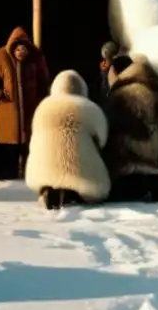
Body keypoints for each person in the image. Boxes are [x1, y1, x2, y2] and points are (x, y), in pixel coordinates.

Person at [25, 70, 110, 210]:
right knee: (88, 178)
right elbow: (102, 139)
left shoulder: (43, 107)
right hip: (82, 175)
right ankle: (73, 194)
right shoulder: (89, 108)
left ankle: (50, 189)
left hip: (43, 170)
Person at [103, 55, 158, 203]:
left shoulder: (118, 96)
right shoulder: (155, 92)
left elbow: (108, 131)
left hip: (124, 168)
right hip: (154, 166)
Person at [0, 27, 50, 179]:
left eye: (24, 48)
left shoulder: (36, 58)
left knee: (30, 149)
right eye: (18, 49)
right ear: (12, 48)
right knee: (8, 152)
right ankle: (9, 181)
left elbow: (44, 82)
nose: (21, 52)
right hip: (7, 116)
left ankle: (28, 177)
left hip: (30, 114)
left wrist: (41, 102)